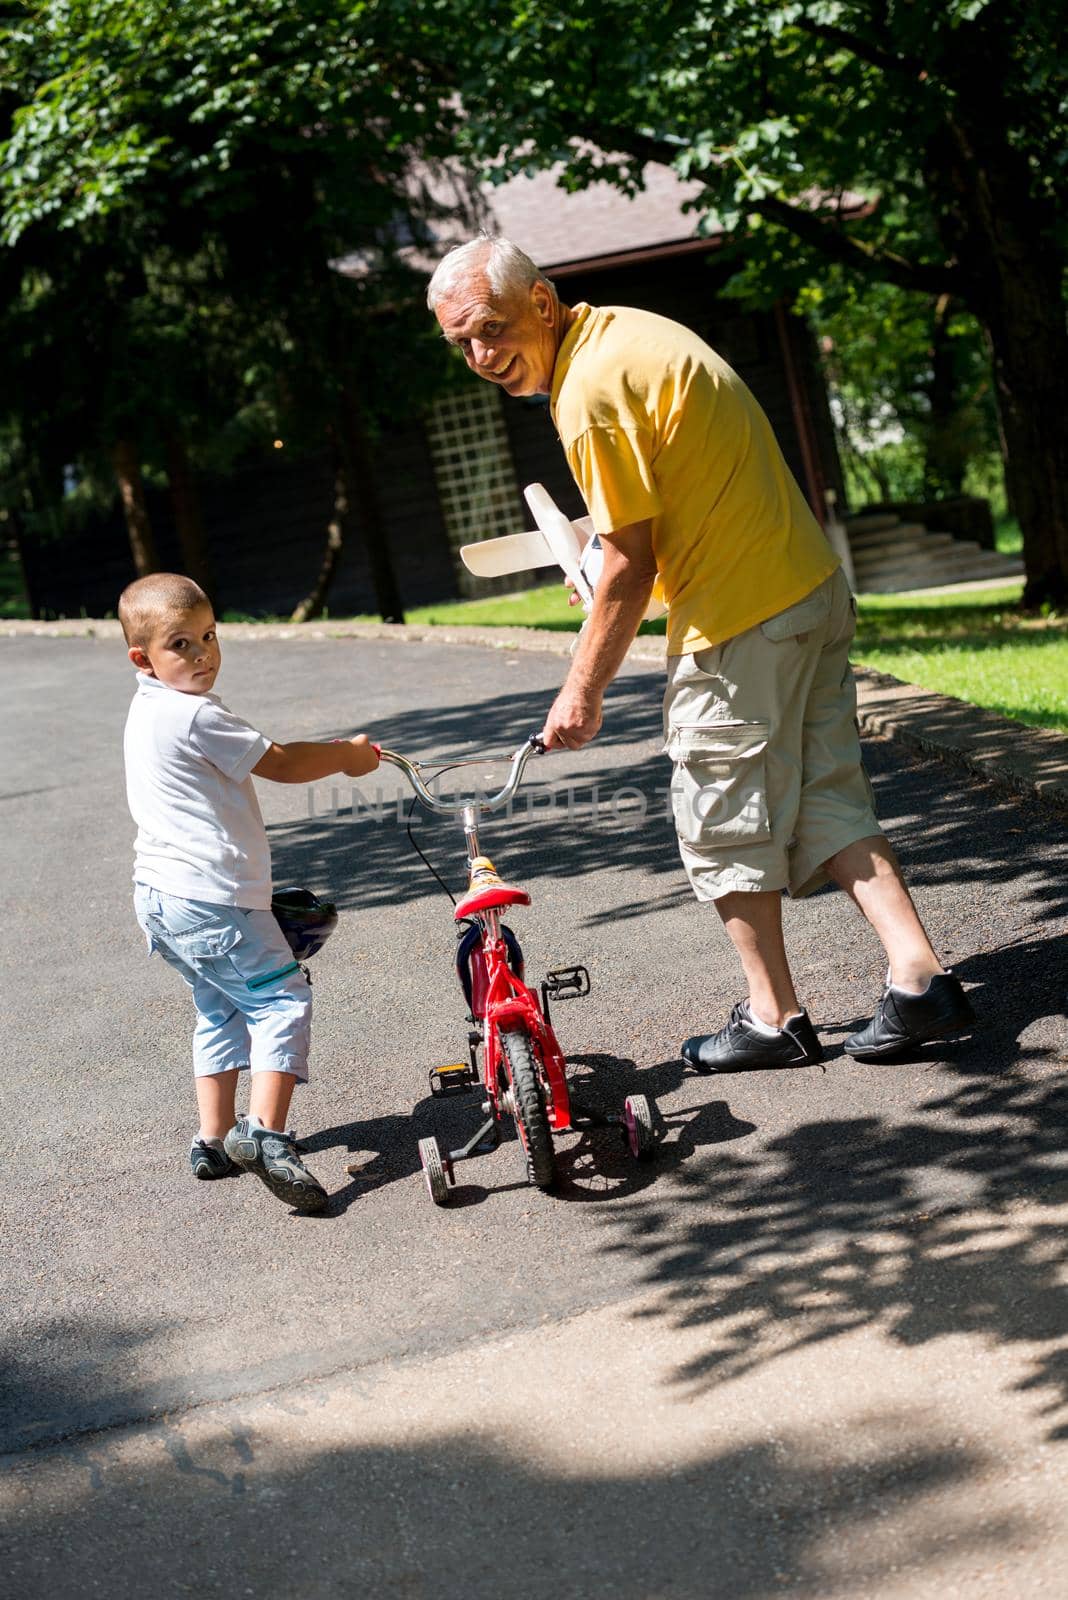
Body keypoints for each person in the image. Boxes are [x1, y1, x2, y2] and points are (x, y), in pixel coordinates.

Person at [427, 235, 975, 1068]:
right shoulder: (626, 333)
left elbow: (630, 563)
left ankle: (772, 1017)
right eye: (460, 342)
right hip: (805, 590)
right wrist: (611, 567)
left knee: (718, 822)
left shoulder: (588, 393)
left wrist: (582, 691)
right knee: (826, 791)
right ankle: (919, 979)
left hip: (742, 619)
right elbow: (655, 528)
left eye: (491, 328)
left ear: (541, 302)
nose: (481, 354)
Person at [119, 572, 380, 1211]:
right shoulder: (195, 715)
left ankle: (211, 1140)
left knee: (221, 1007)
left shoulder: (147, 707)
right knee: (281, 999)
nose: (203, 653)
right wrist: (347, 756)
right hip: (213, 898)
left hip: (160, 897)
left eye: (209, 636)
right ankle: (266, 1135)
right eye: (180, 644)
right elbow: (284, 763)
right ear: (143, 658)